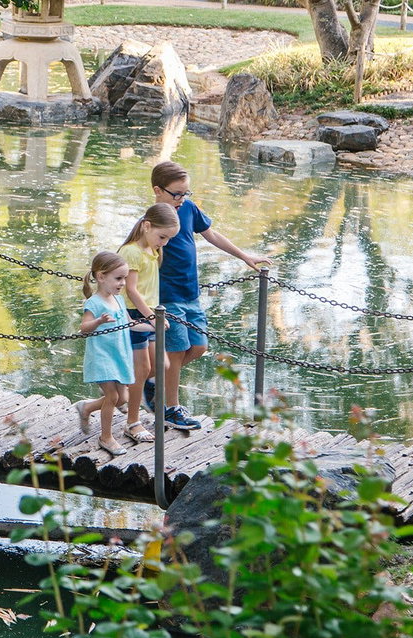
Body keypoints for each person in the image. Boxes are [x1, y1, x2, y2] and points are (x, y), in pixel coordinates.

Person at [146, 161, 271, 429]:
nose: (182, 199)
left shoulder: (188, 209)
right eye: (176, 194)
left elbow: (210, 234)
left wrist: (244, 255)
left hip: (191, 293)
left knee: (199, 346)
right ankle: (170, 409)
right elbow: (137, 255)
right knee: (176, 351)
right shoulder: (152, 220)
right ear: (158, 190)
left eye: (186, 193)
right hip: (167, 296)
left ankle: (152, 379)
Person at [115, 203, 179, 443]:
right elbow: (131, 290)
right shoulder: (131, 252)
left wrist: (155, 315)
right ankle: (132, 422)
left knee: (160, 365)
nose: (165, 242)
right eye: (162, 236)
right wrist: (151, 317)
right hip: (136, 314)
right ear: (147, 226)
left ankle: (120, 394)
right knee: (142, 371)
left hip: (150, 314)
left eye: (169, 238)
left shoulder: (152, 250)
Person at [75, 251, 134, 457]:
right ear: (101, 277)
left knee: (122, 398)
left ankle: (87, 408)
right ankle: (106, 438)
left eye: (125, 278)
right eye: (118, 278)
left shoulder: (118, 301)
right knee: (112, 396)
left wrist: (155, 325)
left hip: (119, 355)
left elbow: (129, 324)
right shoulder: (94, 303)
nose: (123, 283)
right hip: (102, 356)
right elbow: (84, 328)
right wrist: (99, 321)